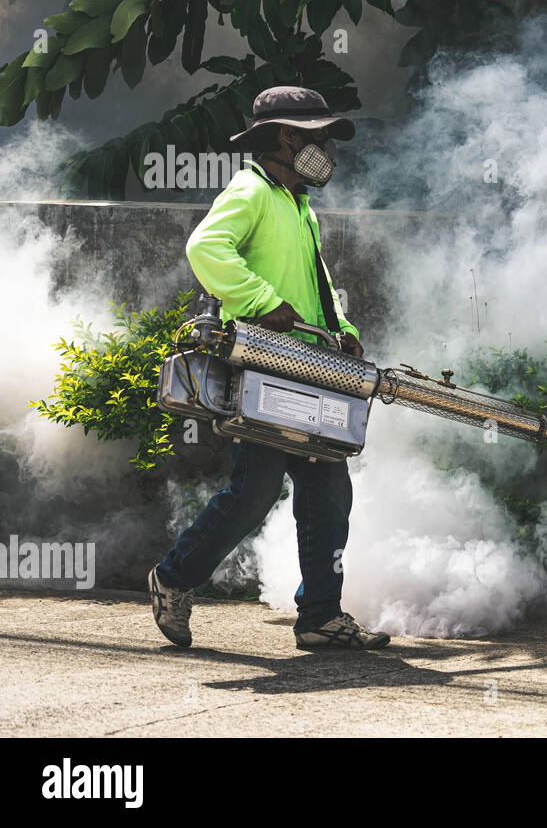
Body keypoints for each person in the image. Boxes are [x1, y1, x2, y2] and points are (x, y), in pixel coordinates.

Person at [148, 86, 390, 650]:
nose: (326, 147)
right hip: (258, 368)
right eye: (318, 136)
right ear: (286, 136)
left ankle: (321, 618)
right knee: (254, 492)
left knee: (328, 492)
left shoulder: (300, 206)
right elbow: (206, 248)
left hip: (310, 367)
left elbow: (319, 285)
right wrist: (259, 300)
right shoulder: (251, 190)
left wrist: (345, 335)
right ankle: (174, 578)